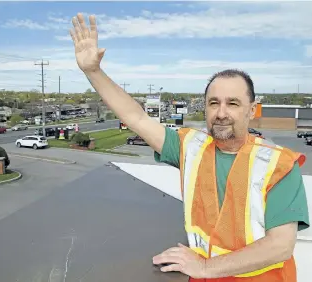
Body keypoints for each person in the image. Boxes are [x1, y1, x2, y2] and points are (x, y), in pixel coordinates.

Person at [70, 13, 310, 281]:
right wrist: (93, 71)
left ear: (251, 111)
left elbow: (280, 245)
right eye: (213, 103)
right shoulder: (191, 147)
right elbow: (136, 117)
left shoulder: (279, 165)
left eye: (233, 103)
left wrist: (206, 267)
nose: (221, 113)